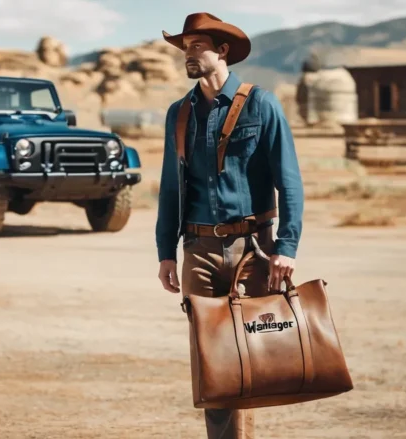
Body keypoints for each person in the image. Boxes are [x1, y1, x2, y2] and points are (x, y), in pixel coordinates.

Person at [155, 12, 305, 439]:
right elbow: (171, 187)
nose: (188, 53)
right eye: (184, 46)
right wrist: (166, 251)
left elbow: (288, 180)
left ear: (222, 51)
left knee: (251, 357)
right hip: (198, 250)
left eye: (196, 45)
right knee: (212, 362)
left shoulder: (262, 103)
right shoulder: (178, 113)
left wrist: (287, 246)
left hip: (252, 248)